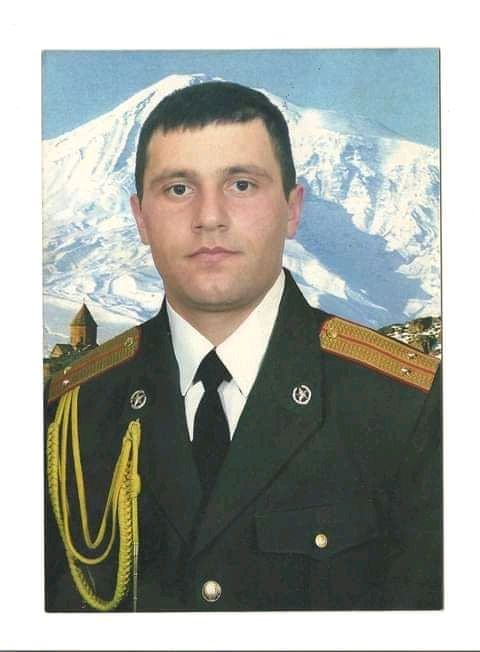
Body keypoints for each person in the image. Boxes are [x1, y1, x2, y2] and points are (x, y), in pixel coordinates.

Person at [44, 81, 442, 612]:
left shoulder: (408, 411)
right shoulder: (70, 417)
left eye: (241, 184)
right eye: (178, 188)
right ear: (140, 218)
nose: (209, 216)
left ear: (292, 209)